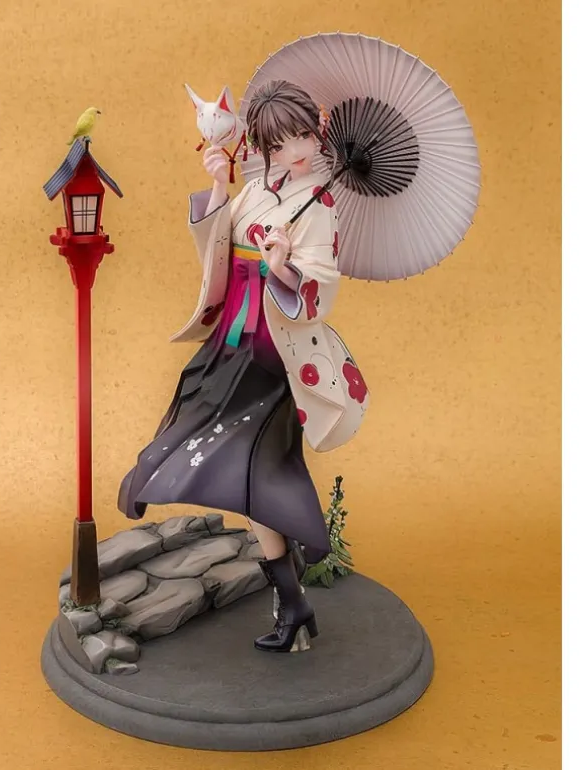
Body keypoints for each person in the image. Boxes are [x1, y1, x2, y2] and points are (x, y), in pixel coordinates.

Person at [118, 79, 368, 653]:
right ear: (262, 146)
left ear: (318, 131)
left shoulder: (321, 205)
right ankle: (293, 600)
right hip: (233, 333)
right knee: (223, 445)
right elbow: (219, 246)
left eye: (302, 136)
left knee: (257, 468)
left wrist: (281, 266)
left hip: (273, 350)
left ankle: (293, 599)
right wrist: (217, 185)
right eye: (279, 144)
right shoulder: (255, 189)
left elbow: (321, 285)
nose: (294, 151)